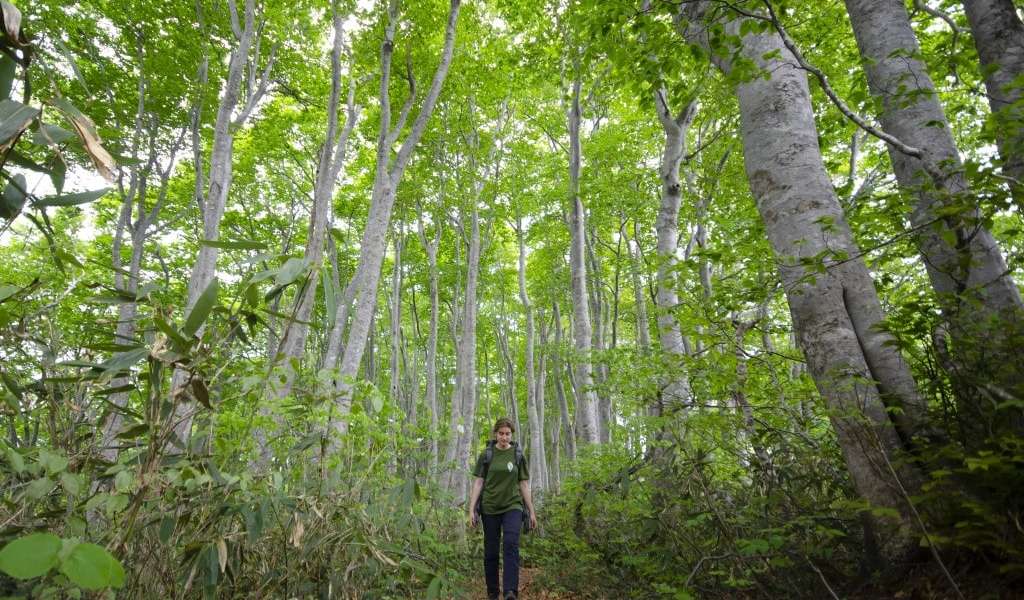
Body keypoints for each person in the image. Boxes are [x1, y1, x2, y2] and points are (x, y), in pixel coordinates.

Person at [468, 417, 538, 600]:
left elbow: (524, 484)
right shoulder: (486, 455)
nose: (504, 437)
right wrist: (471, 509)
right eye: (501, 433)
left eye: (507, 434)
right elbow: (478, 482)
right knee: (491, 551)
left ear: (511, 435)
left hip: (512, 506)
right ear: (495, 434)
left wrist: (531, 511)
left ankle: (510, 591)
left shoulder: (518, 455)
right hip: (490, 507)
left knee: (511, 544)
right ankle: (492, 592)